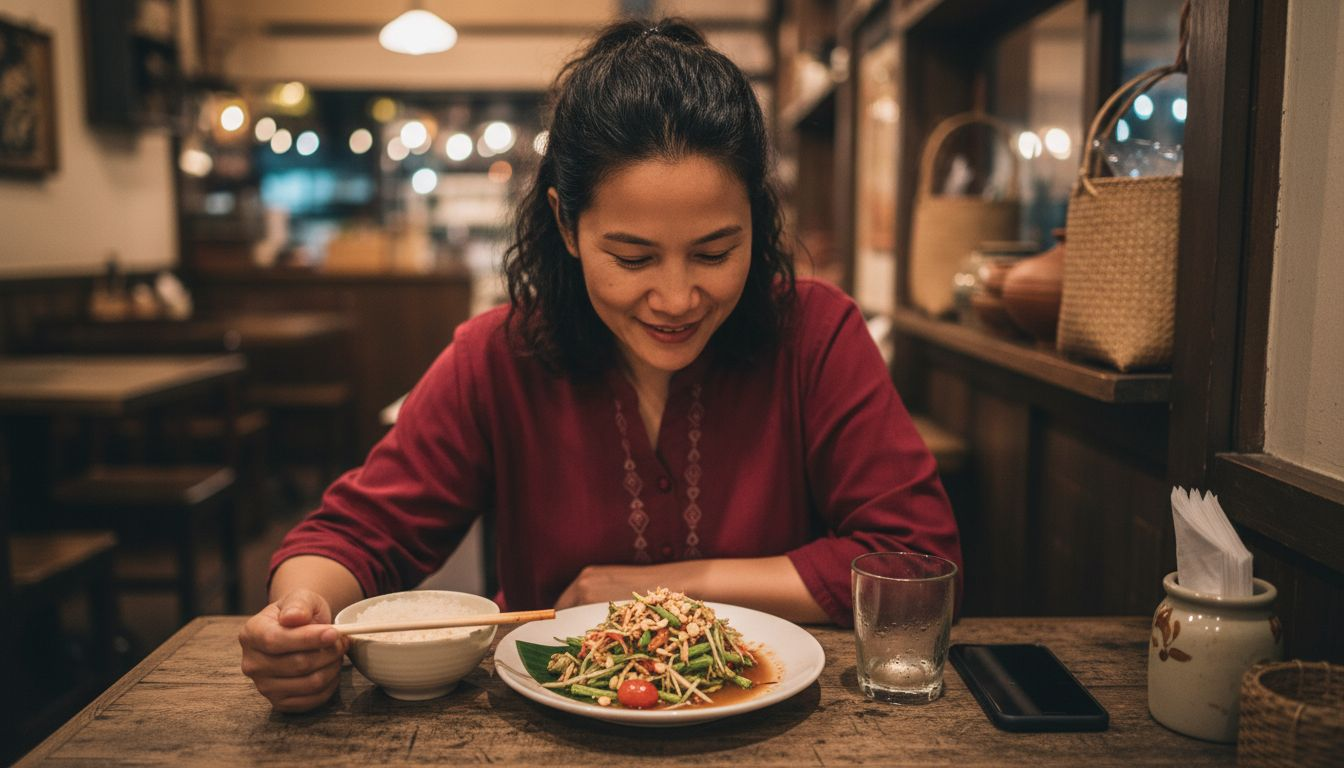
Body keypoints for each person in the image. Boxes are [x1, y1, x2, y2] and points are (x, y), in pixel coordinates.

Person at [239, 18, 962, 713]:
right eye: (633, 257)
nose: (677, 298)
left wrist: (662, 587)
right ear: (565, 223)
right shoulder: (499, 356)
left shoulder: (815, 333)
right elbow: (354, 536)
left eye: (715, 252)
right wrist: (300, 618)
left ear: (758, 220)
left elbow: (914, 559)